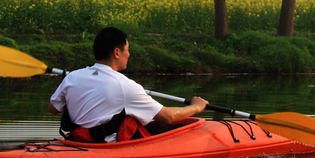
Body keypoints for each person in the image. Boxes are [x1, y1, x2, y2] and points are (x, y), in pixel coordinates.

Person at [48, 27, 208, 143]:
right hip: (105, 146)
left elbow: (54, 109)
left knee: (153, 124)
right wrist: (197, 107)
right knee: (168, 127)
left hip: (78, 140)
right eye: (127, 49)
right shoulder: (125, 85)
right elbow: (169, 116)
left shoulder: (73, 76)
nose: (129, 54)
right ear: (117, 52)